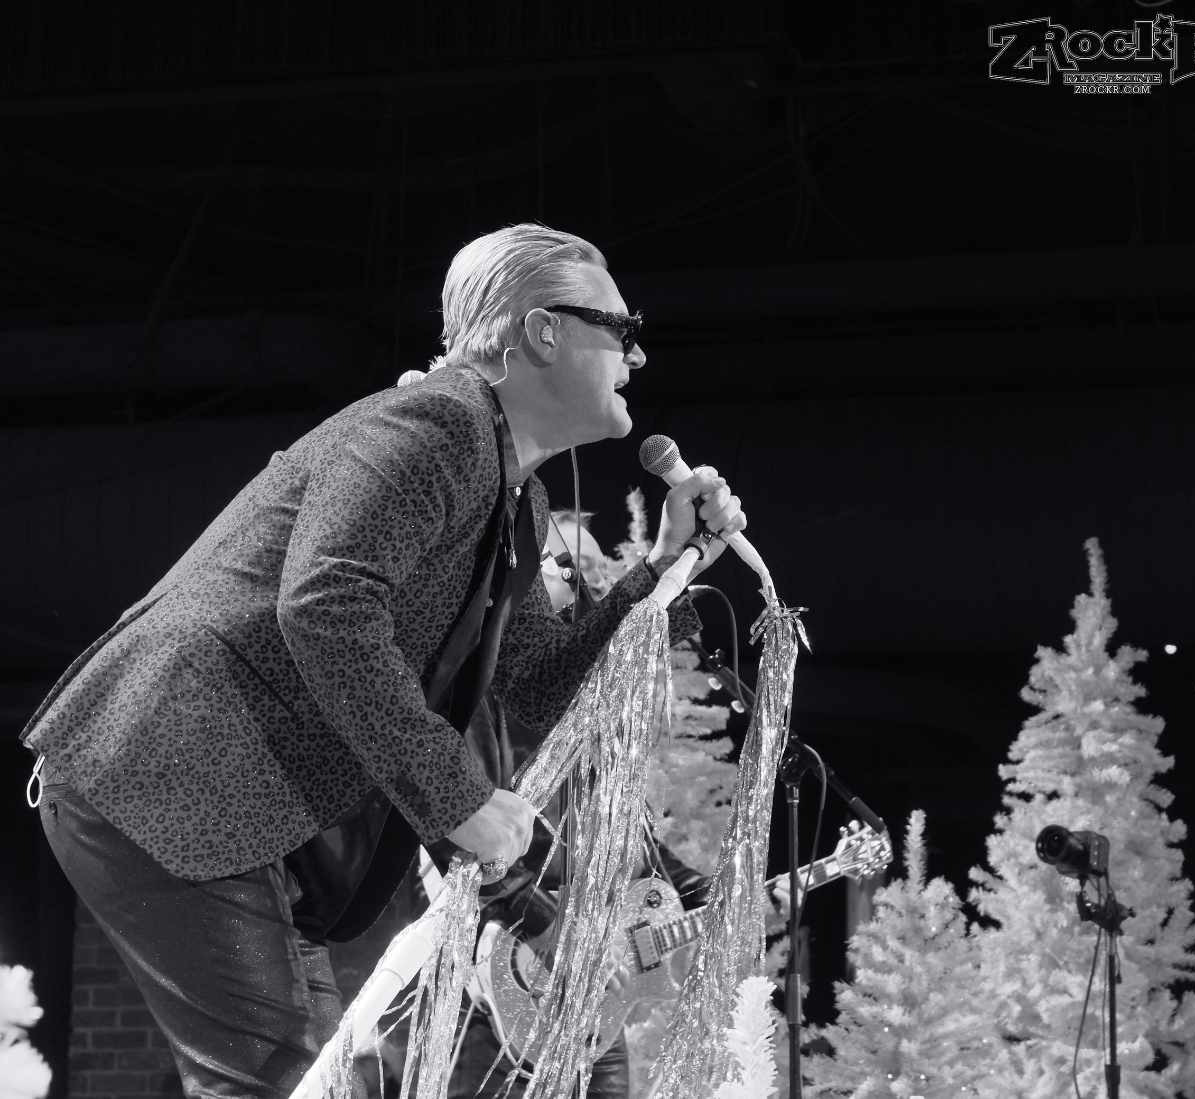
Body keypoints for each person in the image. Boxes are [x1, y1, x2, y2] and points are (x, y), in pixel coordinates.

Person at [19, 224, 747, 1099]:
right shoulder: (438, 424)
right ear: (543, 331)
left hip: (219, 800)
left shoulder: (513, 495)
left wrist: (664, 567)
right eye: (620, 328)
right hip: (167, 767)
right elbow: (326, 606)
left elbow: (537, 686)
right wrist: (460, 799)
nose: (636, 353)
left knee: (309, 1081)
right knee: (287, 1081)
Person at [445, 511, 711, 1099]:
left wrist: (707, 891)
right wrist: (547, 931)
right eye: (574, 569)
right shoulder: (487, 689)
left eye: (597, 572)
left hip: (593, 990)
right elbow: (465, 837)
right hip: (496, 979)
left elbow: (629, 843)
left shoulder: (592, 718)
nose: (593, 588)